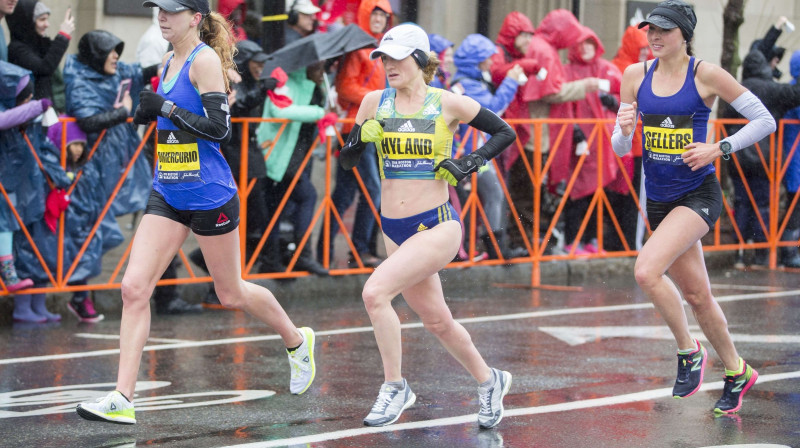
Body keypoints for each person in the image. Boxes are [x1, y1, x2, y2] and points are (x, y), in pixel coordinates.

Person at [76, 0, 316, 425]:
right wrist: (149, 118)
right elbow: (170, 123)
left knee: (231, 293)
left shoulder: (204, 63)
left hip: (209, 194)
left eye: (171, 11)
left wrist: (165, 109)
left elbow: (219, 129)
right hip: (168, 191)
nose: (161, 17)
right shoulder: (169, 59)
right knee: (134, 289)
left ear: (196, 18)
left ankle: (297, 341)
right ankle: (122, 397)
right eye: (158, 10)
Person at [340, 23, 516, 429]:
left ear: (419, 59)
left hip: (436, 226)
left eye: (397, 57)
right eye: (383, 58)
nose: (388, 65)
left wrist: (469, 162)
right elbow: (347, 162)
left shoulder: (447, 103)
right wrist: (356, 143)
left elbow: (503, 132)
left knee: (375, 293)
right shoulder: (373, 102)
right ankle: (491, 381)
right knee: (437, 321)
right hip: (393, 228)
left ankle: (395, 386)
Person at [612, 0, 775, 414]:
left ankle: (689, 352)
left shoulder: (705, 74)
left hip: (698, 196)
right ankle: (737, 371)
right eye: (650, 30)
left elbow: (763, 119)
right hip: (660, 201)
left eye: (664, 31)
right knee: (699, 296)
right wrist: (624, 132)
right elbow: (619, 146)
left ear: (684, 35)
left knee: (647, 271)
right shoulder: (635, 75)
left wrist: (718, 148)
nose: (654, 38)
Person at [63, 29, 156, 321]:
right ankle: (79, 296)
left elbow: (139, 71)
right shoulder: (78, 77)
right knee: (86, 232)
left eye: (117, 50)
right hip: (86, 169)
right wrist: (123, 112)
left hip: (116, 163)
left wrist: (178, 56)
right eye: (110, 51)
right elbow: (87, 119)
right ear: (95, 56)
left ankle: (86, 294)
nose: (116, 56)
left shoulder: (117, 72)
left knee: (100, 230)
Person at [318, 0, 392, 268]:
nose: (379, 19)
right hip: (357, 128)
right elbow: (346, 87)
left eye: (384, 15)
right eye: (374, 13)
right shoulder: (360, 48)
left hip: (368, 128)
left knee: (346, 194)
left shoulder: (378, 49)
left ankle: (327, 252)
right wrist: (381, 100)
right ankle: (358, 250)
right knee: (370, 190)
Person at [550, 25, 625, 255]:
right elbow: (562, 104)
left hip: (601, 141)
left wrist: (613, 102)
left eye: (590, 43)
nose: (586, 49)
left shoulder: (606, 68)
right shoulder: (567, 70)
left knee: (597, 192)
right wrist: (574, 131)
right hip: (577, 142)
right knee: (577, 192)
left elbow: (623, 92)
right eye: (581, 44)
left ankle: (592, 238)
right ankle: (573, 240)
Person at [721, 50, 800, 268]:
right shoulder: (771, 89)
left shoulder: (736, 88)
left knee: (741, 202)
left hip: (738, 156)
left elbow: (726, 120)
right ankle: (761, 254)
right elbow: (795, 94)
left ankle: (738, 252)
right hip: (764, 158)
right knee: (762, 204)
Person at [450, 33, 523, 259]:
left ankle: (490, 246)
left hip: (473, 152)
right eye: (488, 58)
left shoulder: (467, 82)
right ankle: (492, 248)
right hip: (470, 154)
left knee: (491, 195)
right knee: (492, 193)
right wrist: (511, 80)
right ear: (477, 60)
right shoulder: (469, 84)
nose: (492, 62)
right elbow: (493, 109)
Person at [257, 61, 331, 276]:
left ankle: (273, 260)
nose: (321, 73)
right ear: (305, 68)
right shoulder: (288, 82)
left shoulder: (314, 88)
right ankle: (301, 256)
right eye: (317, 68)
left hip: (290, 157)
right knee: (306, 195)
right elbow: (280, 109)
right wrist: (319, 112)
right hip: (278, 155)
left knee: (273, 209)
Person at [7, 0, 74, 112]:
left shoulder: (39, 44)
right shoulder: (17, 49)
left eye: (47, 19)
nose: (47, 24)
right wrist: (63, 36)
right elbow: (45, 68)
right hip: (31, 115)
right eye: (42, 19)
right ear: (27, 22)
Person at [780, 50, 800, 268]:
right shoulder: (795, 91)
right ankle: (788, 249)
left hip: (794, 157)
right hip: (795, 159)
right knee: (795, 205)